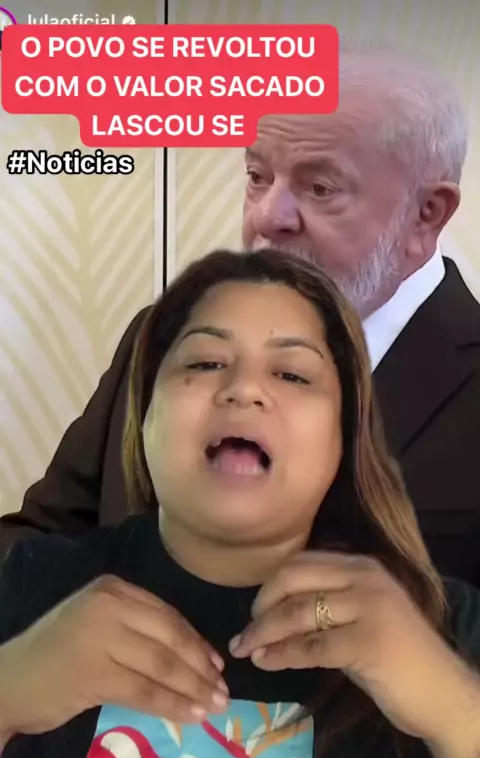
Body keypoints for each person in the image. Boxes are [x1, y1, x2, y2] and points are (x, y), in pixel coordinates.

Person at [1, 248, 480, 758]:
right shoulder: (25, 587)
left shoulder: (445, 628)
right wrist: (10, 691)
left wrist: (452, 709)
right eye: (205, 362)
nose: (245, 389)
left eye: (293, 374)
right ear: (144, 413)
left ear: (344, 435)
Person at [1, 48, 479, 586]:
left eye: (320, 187)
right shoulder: (161, 337)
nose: (267, 217)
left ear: (426, 214)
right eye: (257, 176)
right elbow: (35, 541)